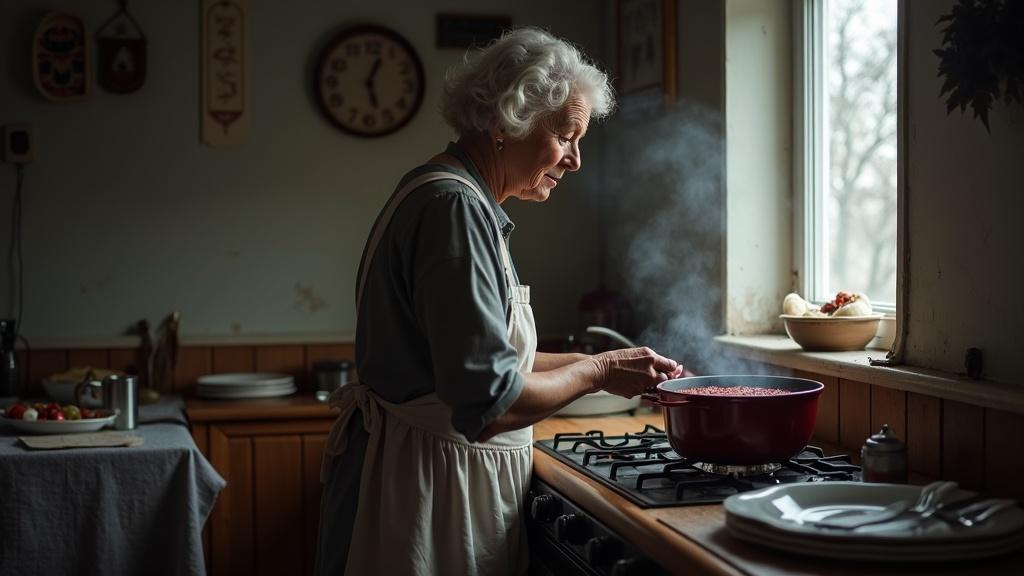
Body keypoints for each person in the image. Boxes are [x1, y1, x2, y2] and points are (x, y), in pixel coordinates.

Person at [316, 27, 683, 576]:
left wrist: (607, 366)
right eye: (565, 136)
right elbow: (489, 399)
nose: (575, 160)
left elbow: (491, 360)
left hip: (440, 481)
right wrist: (601, 370)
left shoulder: (459, 198)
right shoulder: (453, 210)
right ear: (504, 122)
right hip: (426, 496)